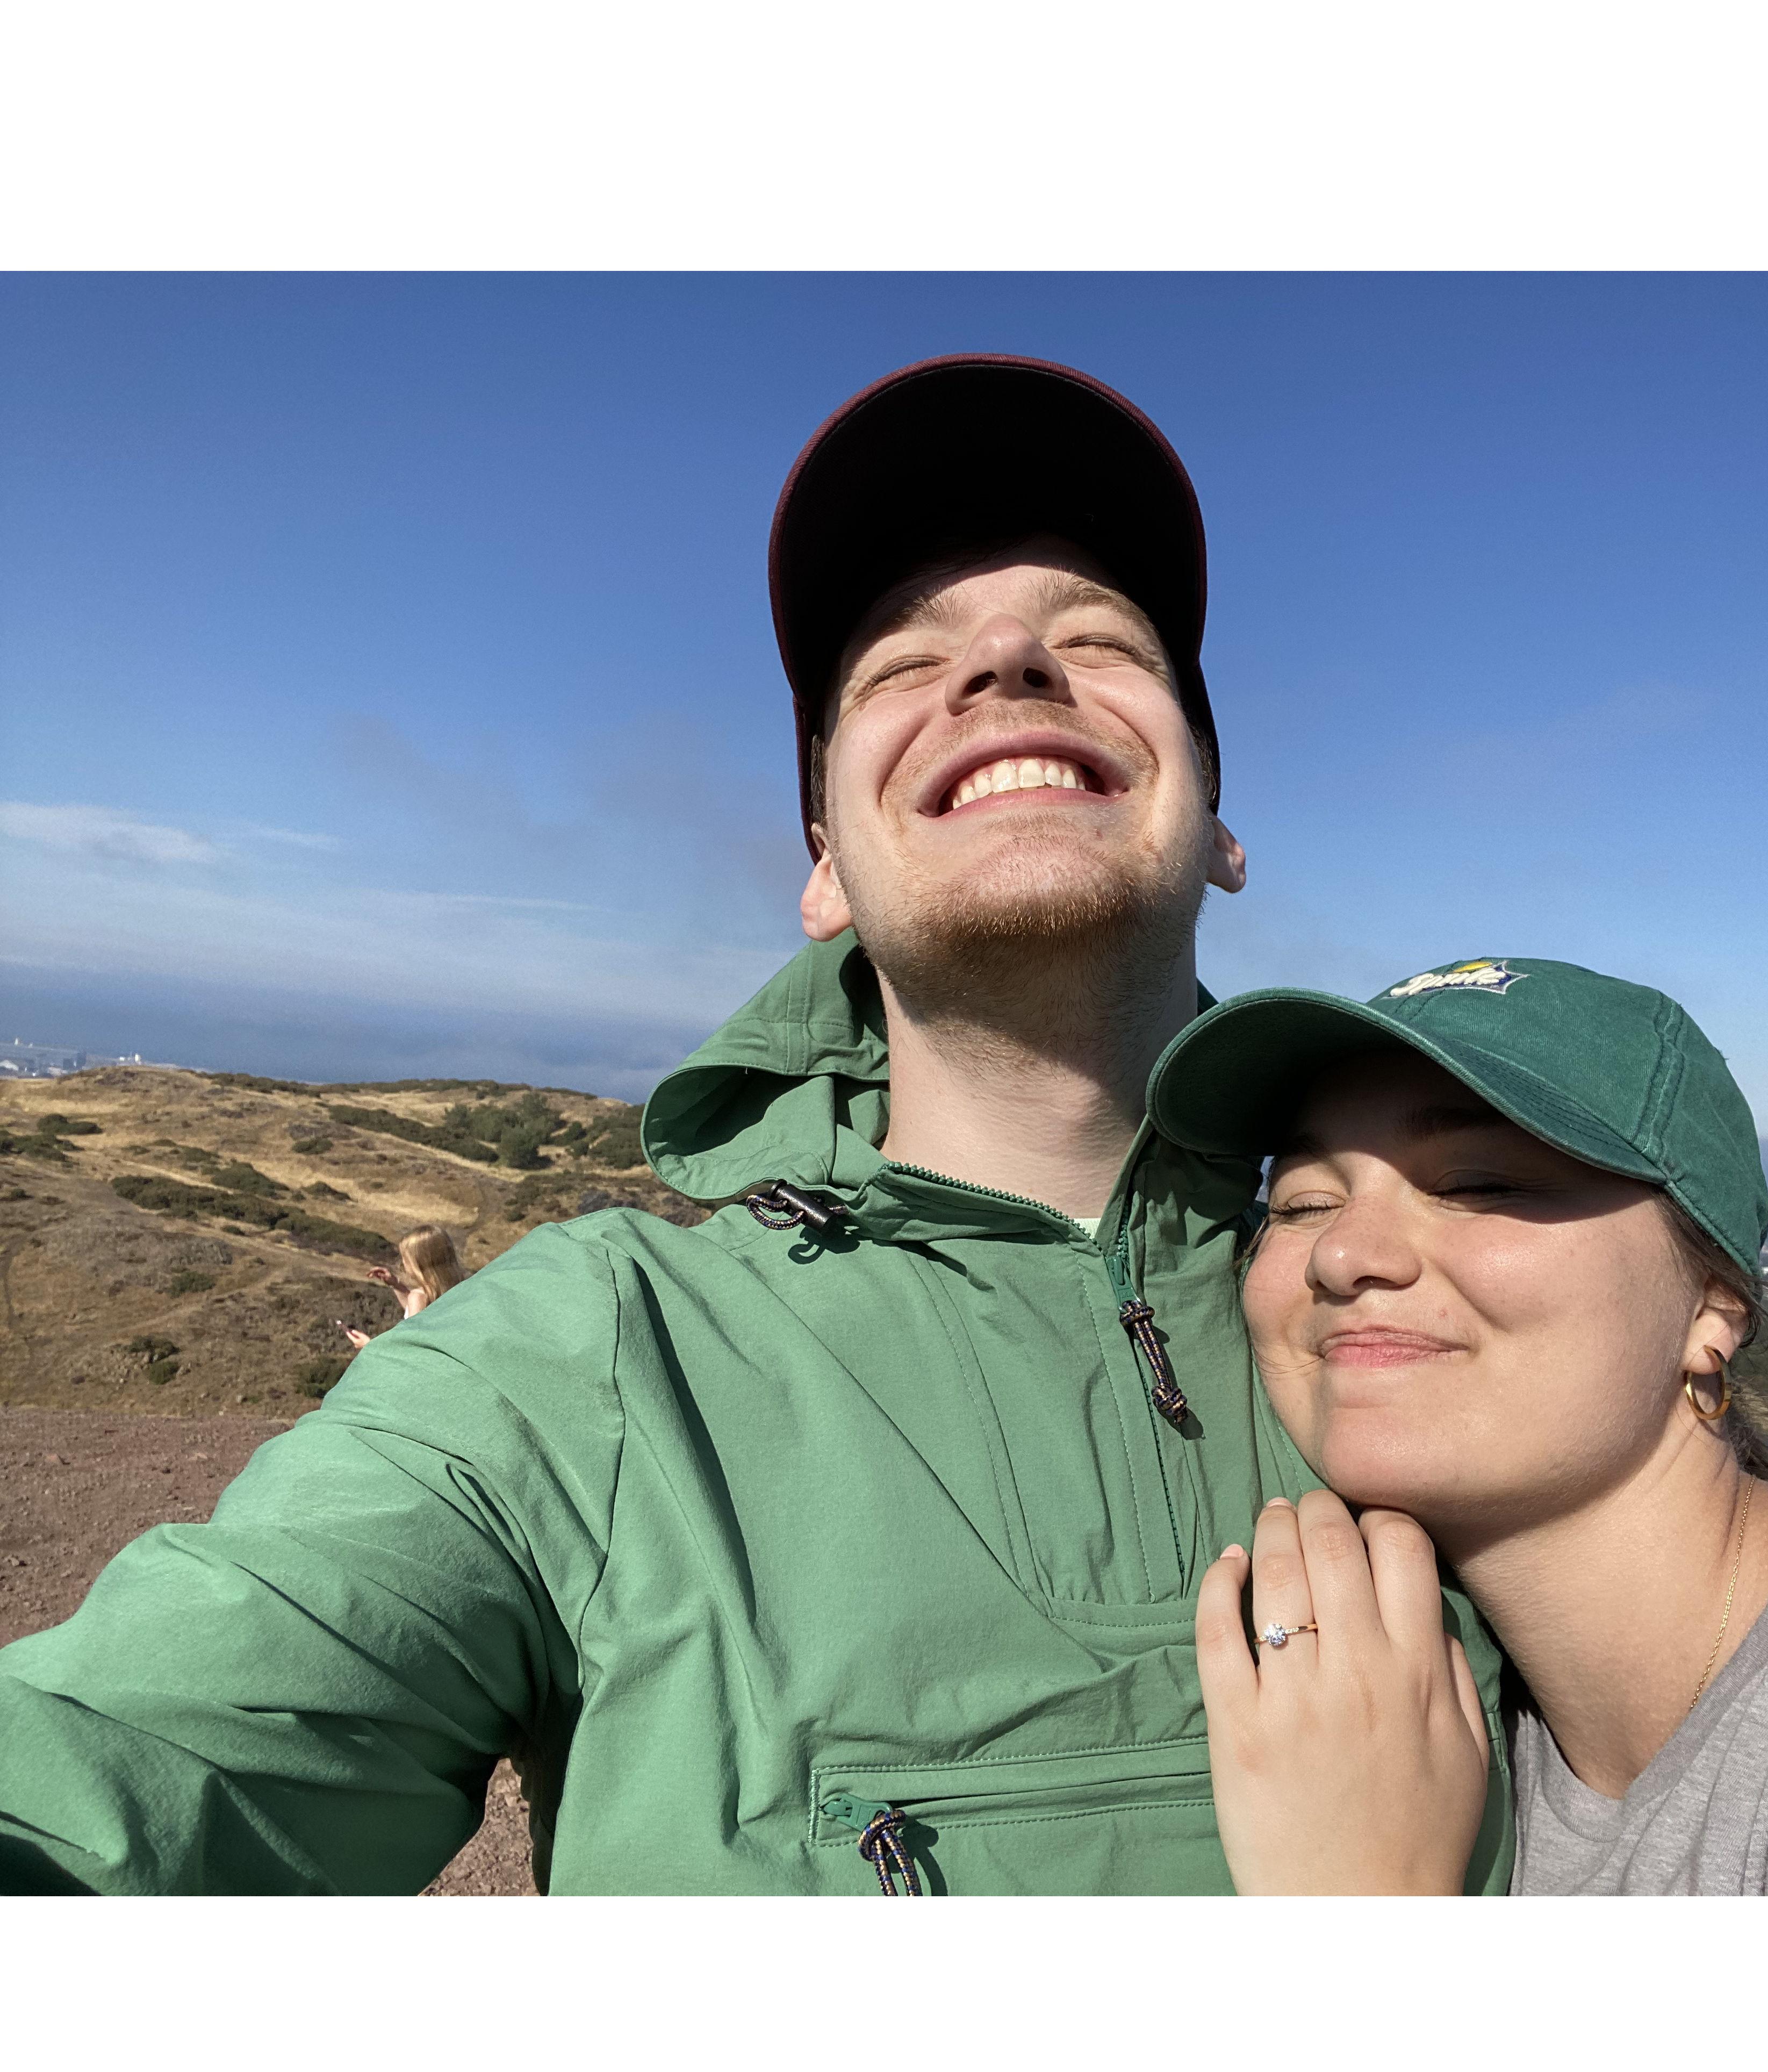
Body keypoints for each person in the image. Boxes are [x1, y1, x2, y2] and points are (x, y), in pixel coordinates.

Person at [0, 355, 1514, 1896]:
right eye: (899, 666)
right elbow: (121, 1778)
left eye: (1099, 640)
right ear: (824, 871)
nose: (1003, 659)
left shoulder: (1460, 1296)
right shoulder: (585, 1356)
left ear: (1223, 829)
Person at [1151, 955, 1768, 1894]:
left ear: (1711, 1304)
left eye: (1478, 1183)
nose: (1342, 1256)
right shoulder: (1427, 1718)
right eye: (1300, 1203)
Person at [344, 1224, 466, 1348]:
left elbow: (411, 1347)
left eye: (405, 1258)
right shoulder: (459, 1287)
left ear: (418, 1262)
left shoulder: (418, 1297)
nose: (402, 1263)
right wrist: (397, 1285)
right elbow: (416, 1311)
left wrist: (369, 1346)